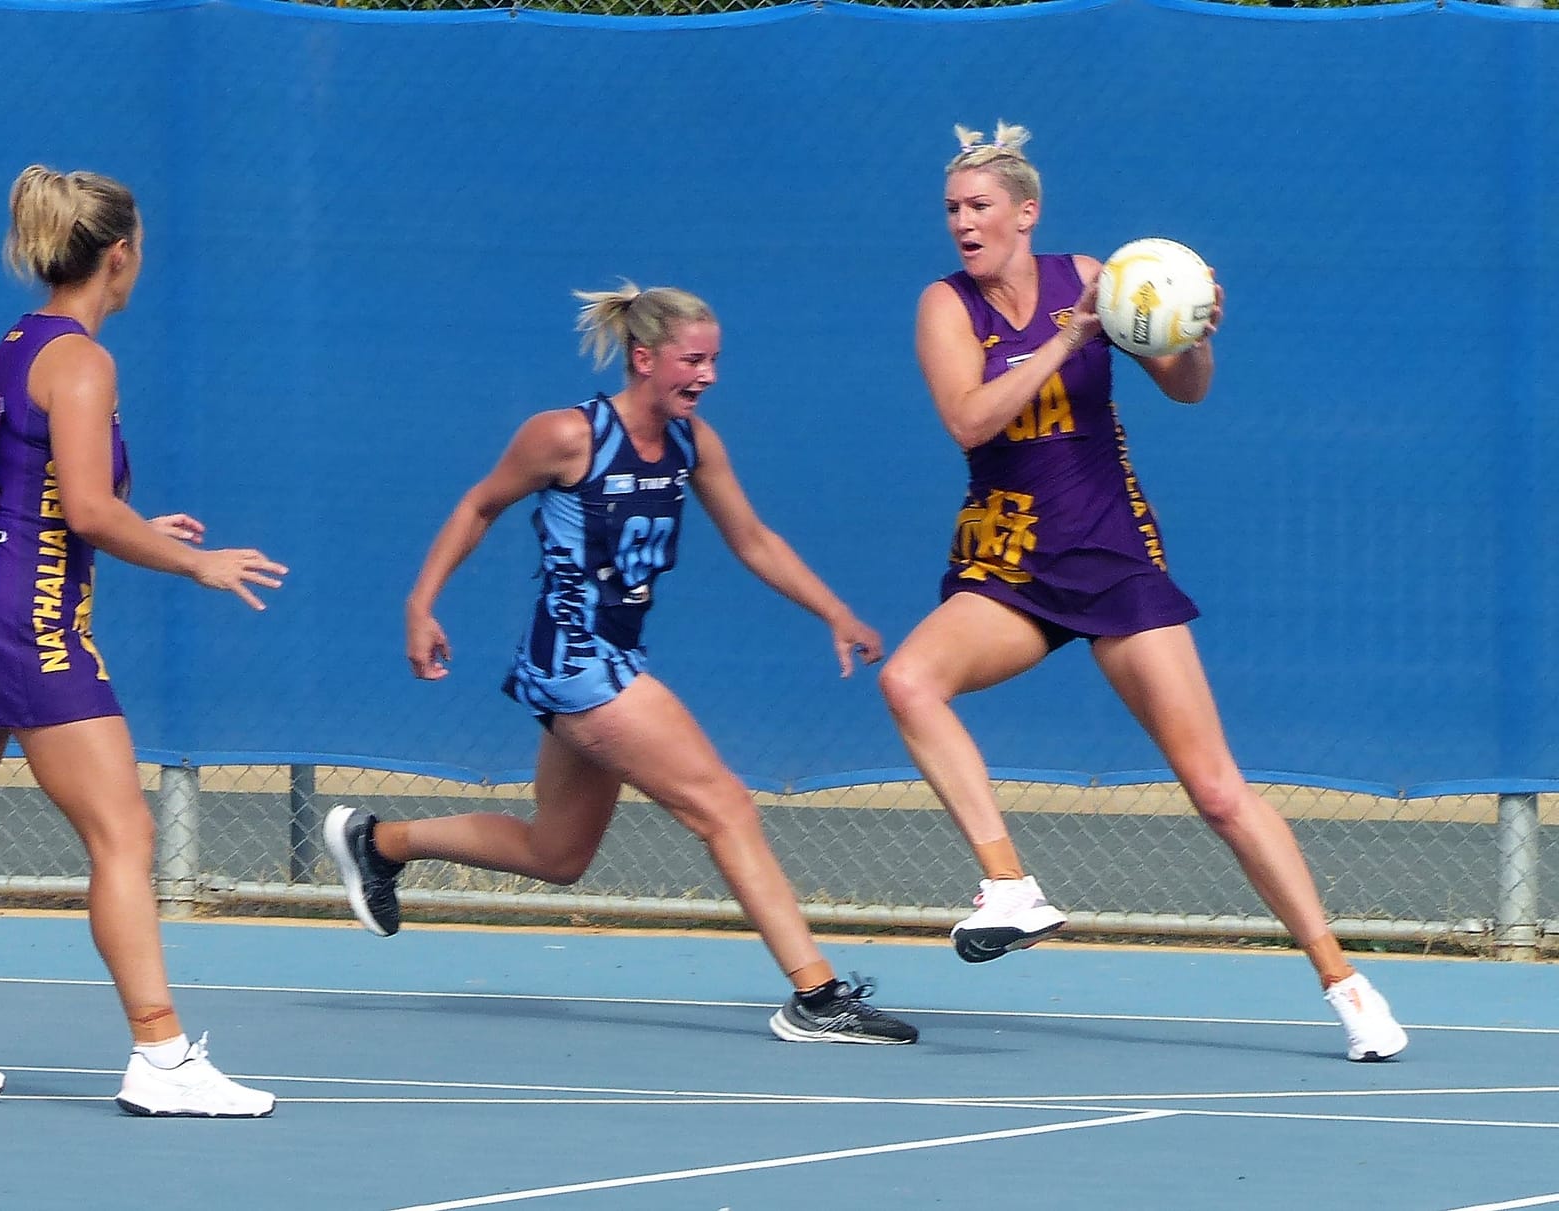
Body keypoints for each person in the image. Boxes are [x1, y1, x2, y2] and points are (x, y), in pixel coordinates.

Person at [875, 121, 1408, 1062]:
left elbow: (1186, 387)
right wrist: (1066, 336)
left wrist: (1193, 336)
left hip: (1111, 549)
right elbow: (969, 419)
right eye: (953, 208)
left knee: (1214, 788)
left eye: (980, 206)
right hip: (1010, 559)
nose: (963, 222)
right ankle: (1010, 886)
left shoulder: (1096, 273)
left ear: (1025, 213)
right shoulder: (946, 306)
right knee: (910, 680)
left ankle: (1345, 980)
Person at [323, 283, 916, 1045]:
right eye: (691, 360)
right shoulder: (568, 436)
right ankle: (817, 993)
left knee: (558, 853)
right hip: (578, 662)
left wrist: (833, 610)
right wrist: (421, 602)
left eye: (714, 361)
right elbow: (479, 506)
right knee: (724, 805)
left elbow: (754, 538)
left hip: (610, 658)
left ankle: (379, 842)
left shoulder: (691, 445)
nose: (706, 376)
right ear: (644, 358)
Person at [0, 165, 286, 1117]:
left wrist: (153, 529)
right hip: (32, 622)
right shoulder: (83, 360)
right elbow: (93, 514)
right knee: (124, 833)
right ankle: (161, 1054)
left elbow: (23, 491)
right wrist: (202, 564)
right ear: (119, 253)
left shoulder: (15, 343)